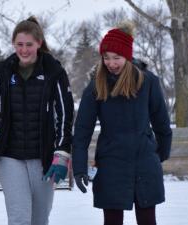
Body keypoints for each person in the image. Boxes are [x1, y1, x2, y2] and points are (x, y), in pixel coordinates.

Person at [0, 16, 74, 225]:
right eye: (19, 44)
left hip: (43, 159)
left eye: (29, 44)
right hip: (11, 158)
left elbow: (64, 115)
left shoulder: (54, 72)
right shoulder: (3, 72)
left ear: (39, 43)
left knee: (39, 219)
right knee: (19, 218)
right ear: (13, 44)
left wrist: (62, 153)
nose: (24, 50)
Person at [72, 21, 172, 225]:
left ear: (127, 57)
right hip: (111, 165)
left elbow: (162, 125)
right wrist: (79, 167)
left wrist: (158, 156)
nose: (111, 63)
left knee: (147, 220)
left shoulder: (148, 82)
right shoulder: (96, 87)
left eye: (116, 58)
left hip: (144, 165)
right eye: (106, 58)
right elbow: (82, 131)